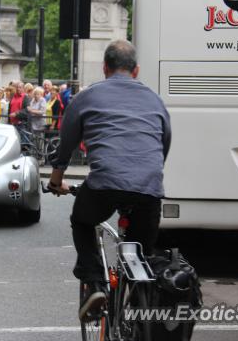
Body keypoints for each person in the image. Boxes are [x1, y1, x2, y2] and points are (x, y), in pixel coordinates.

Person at [47, 40, 171, 321]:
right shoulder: (154, 100)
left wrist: (56, 180)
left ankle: (94, 284)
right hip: (148, 187)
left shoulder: (87, 97)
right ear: (136, 70)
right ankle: (143, 308)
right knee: (143, 254)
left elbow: (66, 143)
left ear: (104, 68)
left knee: (82, 220)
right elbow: (164, 142)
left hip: (104, 185)